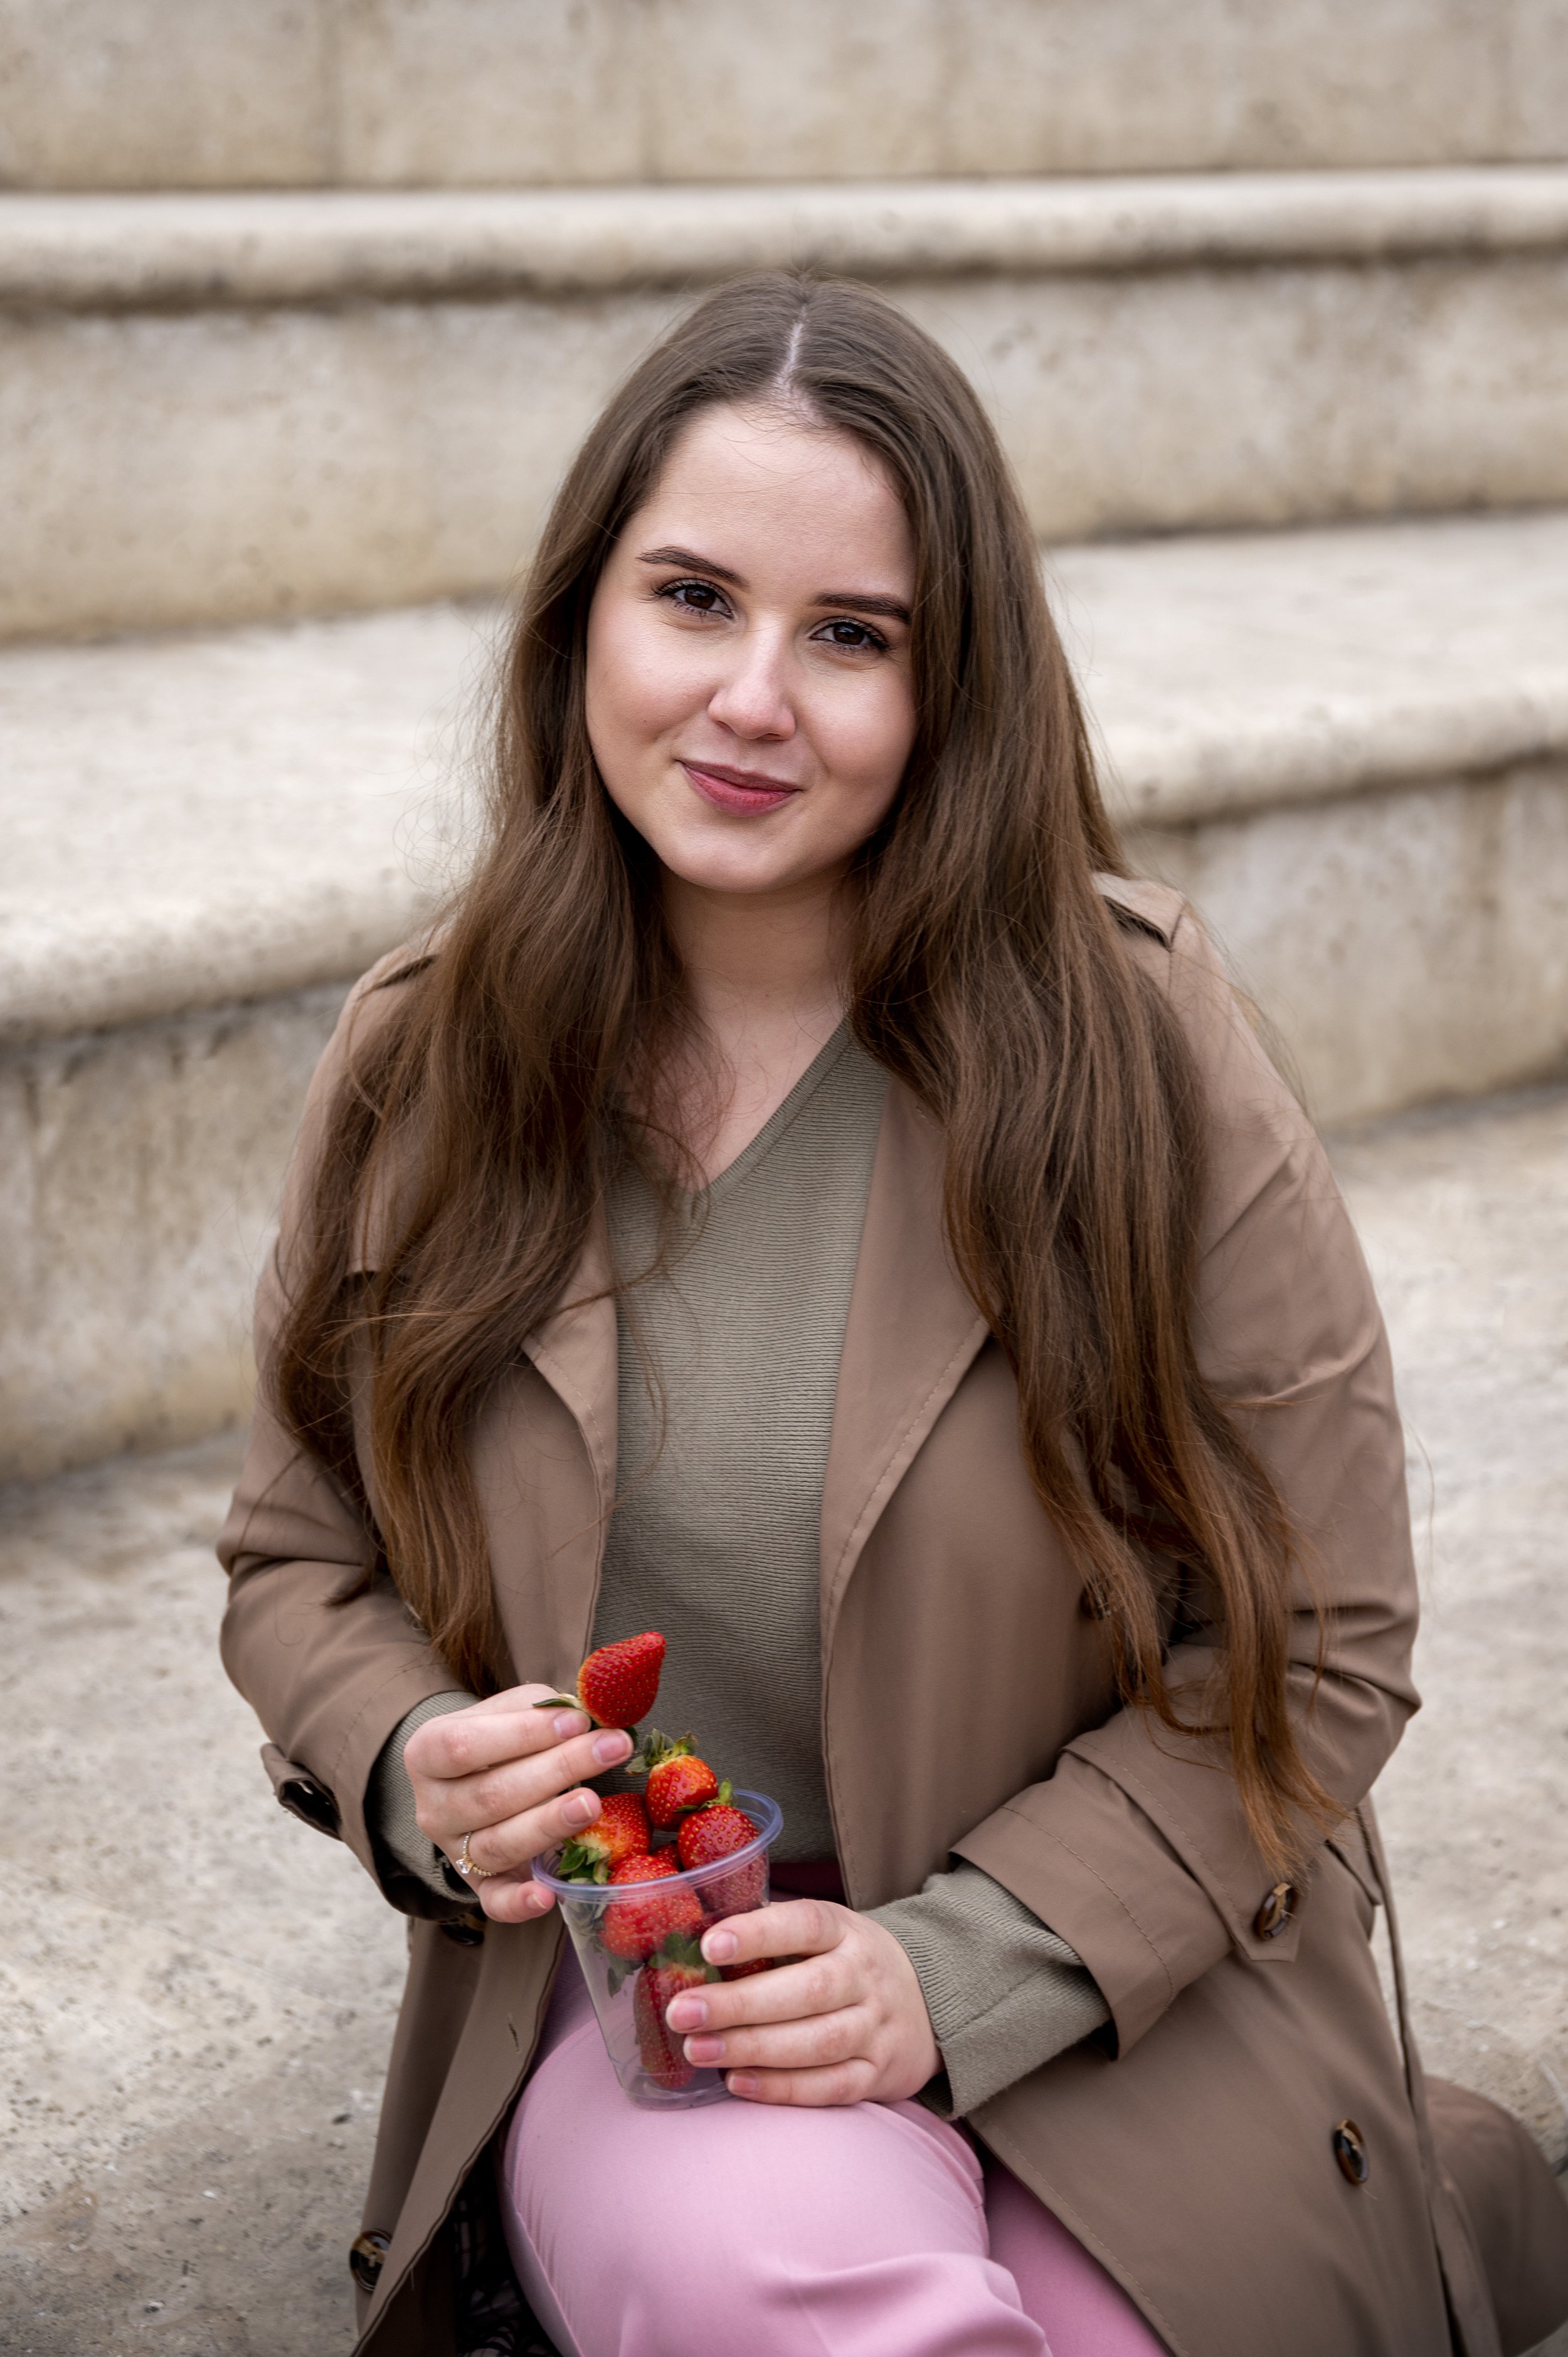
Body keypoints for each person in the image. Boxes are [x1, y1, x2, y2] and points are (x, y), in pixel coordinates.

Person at [218, 273, 1568, 2357]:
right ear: (583, 617)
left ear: (955, 694)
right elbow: (298, 1557)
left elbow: (1320, 1634)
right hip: (678, 2006)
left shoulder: (1137, 1047)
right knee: (797, 2305)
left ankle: (1425, 2194)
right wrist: (406, 1758)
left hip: (1118, 1972)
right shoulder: (429, 1060)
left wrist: (964, 1961)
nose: (754, 697)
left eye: (850, 636)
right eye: (691, 599)